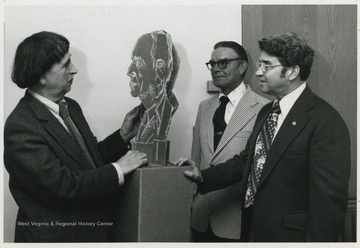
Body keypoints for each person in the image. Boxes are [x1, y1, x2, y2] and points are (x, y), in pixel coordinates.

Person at [178, 32, 351, 242]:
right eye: (260, 64)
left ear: (293, 71)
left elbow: (329, 204)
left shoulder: (324, 120)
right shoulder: (267, 112)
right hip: (253, 231)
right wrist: (203, 176)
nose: (258, 72)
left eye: (267, 66)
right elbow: (247, 162)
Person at [4, 31, 148, 242]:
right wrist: (118, 168)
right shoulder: (21, 126)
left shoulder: (71, 107)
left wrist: (122, 136)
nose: (74, 70)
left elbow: (84, 162)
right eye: (65, 65)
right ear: (41, 75)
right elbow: (63, 186)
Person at [190, 41, 269, 241]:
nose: (216, 69)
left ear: (242, 66)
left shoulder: (264, 108)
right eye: (212, 64)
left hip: (237, 218)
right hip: (200, 218)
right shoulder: (204, 107)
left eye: (223, 63)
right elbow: (196, 157)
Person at [127, 30, 180, 165]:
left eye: (138, 64)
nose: (129, 71)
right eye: (132, 62)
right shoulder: (143, 113)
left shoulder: (165, 109)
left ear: (159, 68)